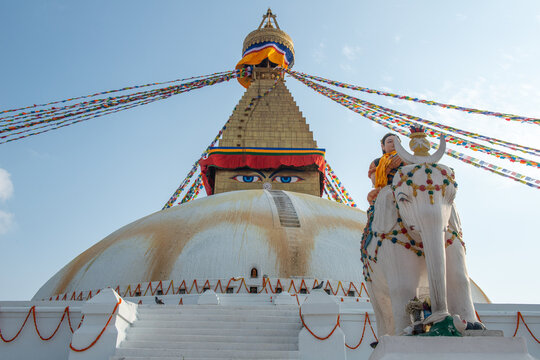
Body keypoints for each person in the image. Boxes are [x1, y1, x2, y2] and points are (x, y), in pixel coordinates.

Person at [366, 133, 405, 203]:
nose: (394, 144)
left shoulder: (406, 160)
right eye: (390, 141)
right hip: (386, 191)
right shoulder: (377, 162)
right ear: (383, 146)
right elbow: (375, 181)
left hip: (405, 190)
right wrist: (389, 167)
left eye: (397, 142)